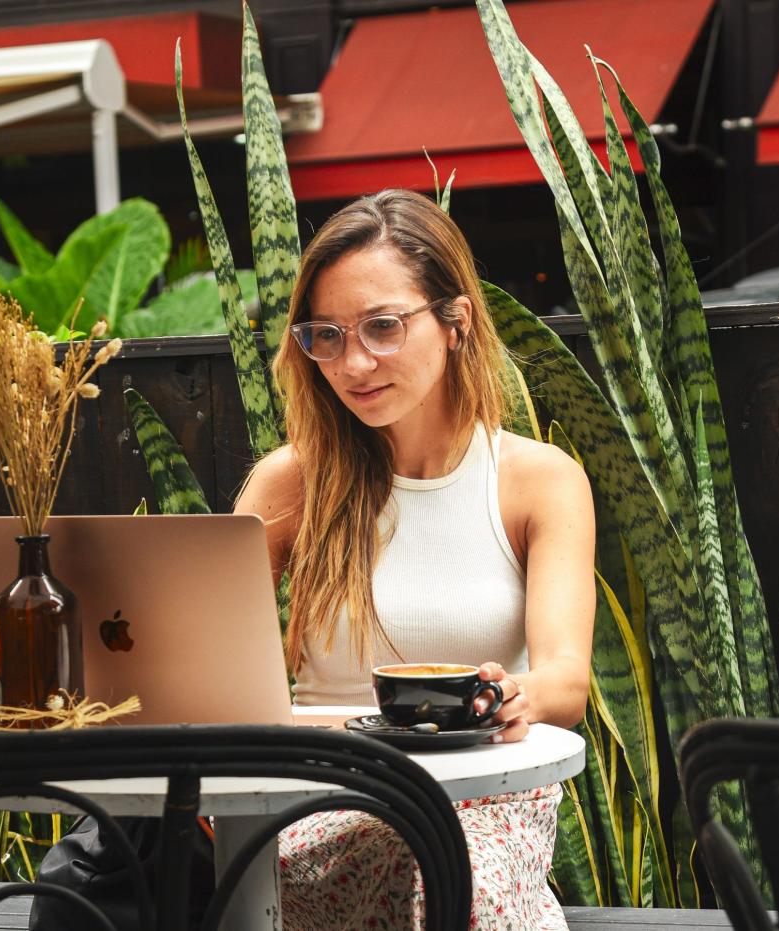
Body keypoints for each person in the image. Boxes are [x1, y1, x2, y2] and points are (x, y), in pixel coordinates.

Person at [234, 189, 596, 929]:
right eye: (325, 336)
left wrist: (513, 695)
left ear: (456, 321)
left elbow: (566, 677)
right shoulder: (290, 484)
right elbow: (212, 674)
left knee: (446, 861)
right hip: (319, 798)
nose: (353, 362)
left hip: (485, 796)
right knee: (420, 858)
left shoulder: (538, 479)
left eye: (383, 327)